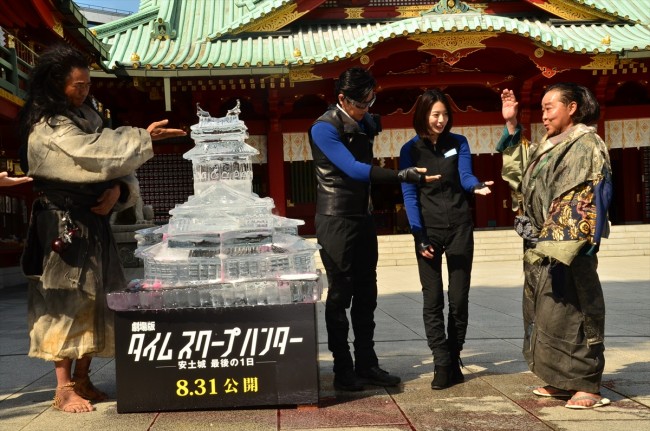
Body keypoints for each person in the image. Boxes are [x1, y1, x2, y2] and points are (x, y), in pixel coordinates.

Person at [17, 44, 185, 413]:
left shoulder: (88, 116)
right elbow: (92, 153)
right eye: (78, 85)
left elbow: (113, 166)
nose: (85, 91)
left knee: (102, 295)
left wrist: (119, 190)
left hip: (94, 219)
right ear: (56, 85)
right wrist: (143, 137)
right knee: (65, 298)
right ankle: (63, 387)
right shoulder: (49, 125)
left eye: (88, 84)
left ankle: (83, 377)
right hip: (62, 220)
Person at [308, 67, 437, 391]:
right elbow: (353, 169)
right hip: (336, 218)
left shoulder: (363, 120)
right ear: (342, 99)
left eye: (371, 100)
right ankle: (343, 369)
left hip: (363, 218)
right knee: (340, 295)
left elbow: (371, 124)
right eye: (362, 103)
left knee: (368, 293)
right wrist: (401, 175)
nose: (368, 108)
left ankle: (367, 363)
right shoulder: (323, 128)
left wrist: (368, 118)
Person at [498, 83, 613, 409]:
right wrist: (511, 125)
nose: (545, 114)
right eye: (544, 108)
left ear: (572, 107)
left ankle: (587, 382)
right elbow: (521, 175)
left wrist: (556, 236)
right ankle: (561, 380)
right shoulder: (549, 144)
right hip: (542, 243)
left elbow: (583, 193)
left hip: (567, 243)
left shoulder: (587, 144)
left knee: (574, 311)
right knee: (546, 313)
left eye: (551, 107)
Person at [399, 89, 493, 390]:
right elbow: (409, 195)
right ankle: (441, 361)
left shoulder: (459, 143)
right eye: (436, 114)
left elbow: (465, 175)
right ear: (423, 114)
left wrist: (475, 185)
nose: (441, 120)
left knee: (459, 298)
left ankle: (453, 357)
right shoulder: (409, 150)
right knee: (433, 299)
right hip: (428, 230)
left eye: (445, 115)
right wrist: (419, 235)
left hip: (460, 227)